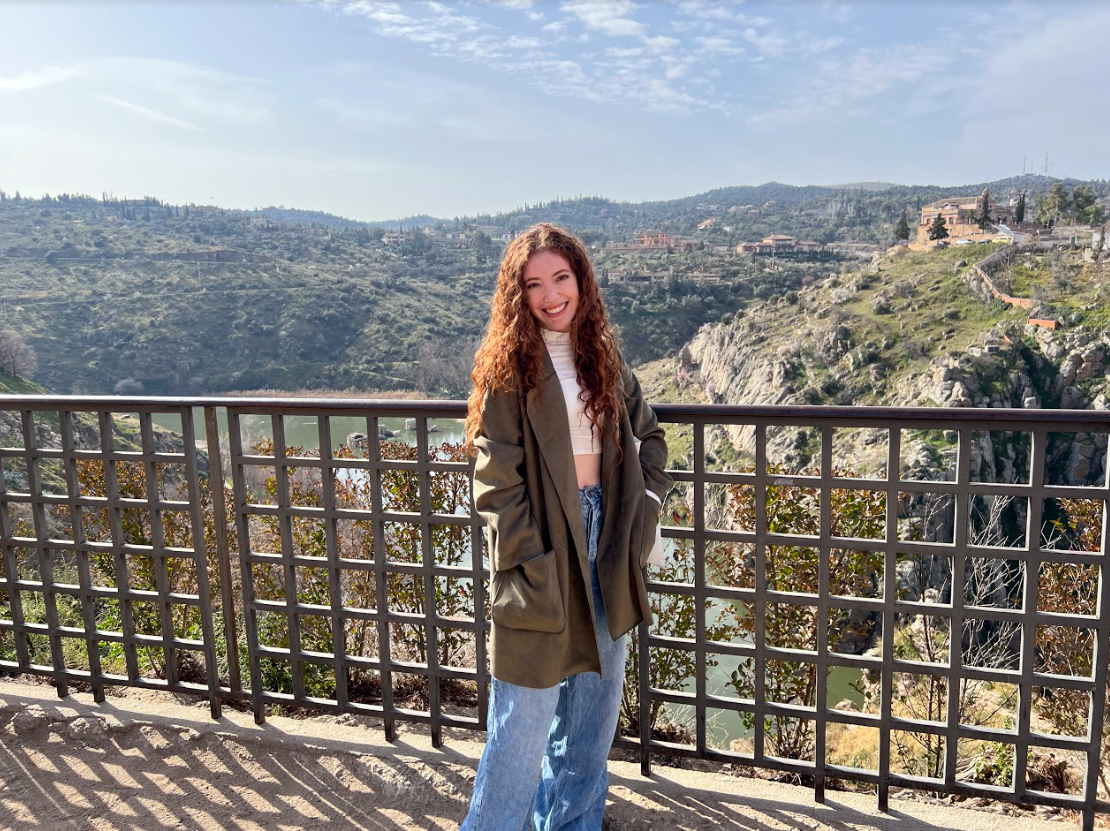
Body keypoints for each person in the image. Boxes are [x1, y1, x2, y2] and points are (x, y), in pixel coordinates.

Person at [460, 223, 672, 831]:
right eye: (535, 284)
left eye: (561, 278)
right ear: (518, 295)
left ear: (581, 280)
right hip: (541, 550)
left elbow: (650, 439)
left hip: (607, 543)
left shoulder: (602, 359)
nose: (552, 295)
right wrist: (528, 561)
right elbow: (496, 481)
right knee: (518, 735)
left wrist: (644, 514)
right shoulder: (507, 372)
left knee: (588, 733)